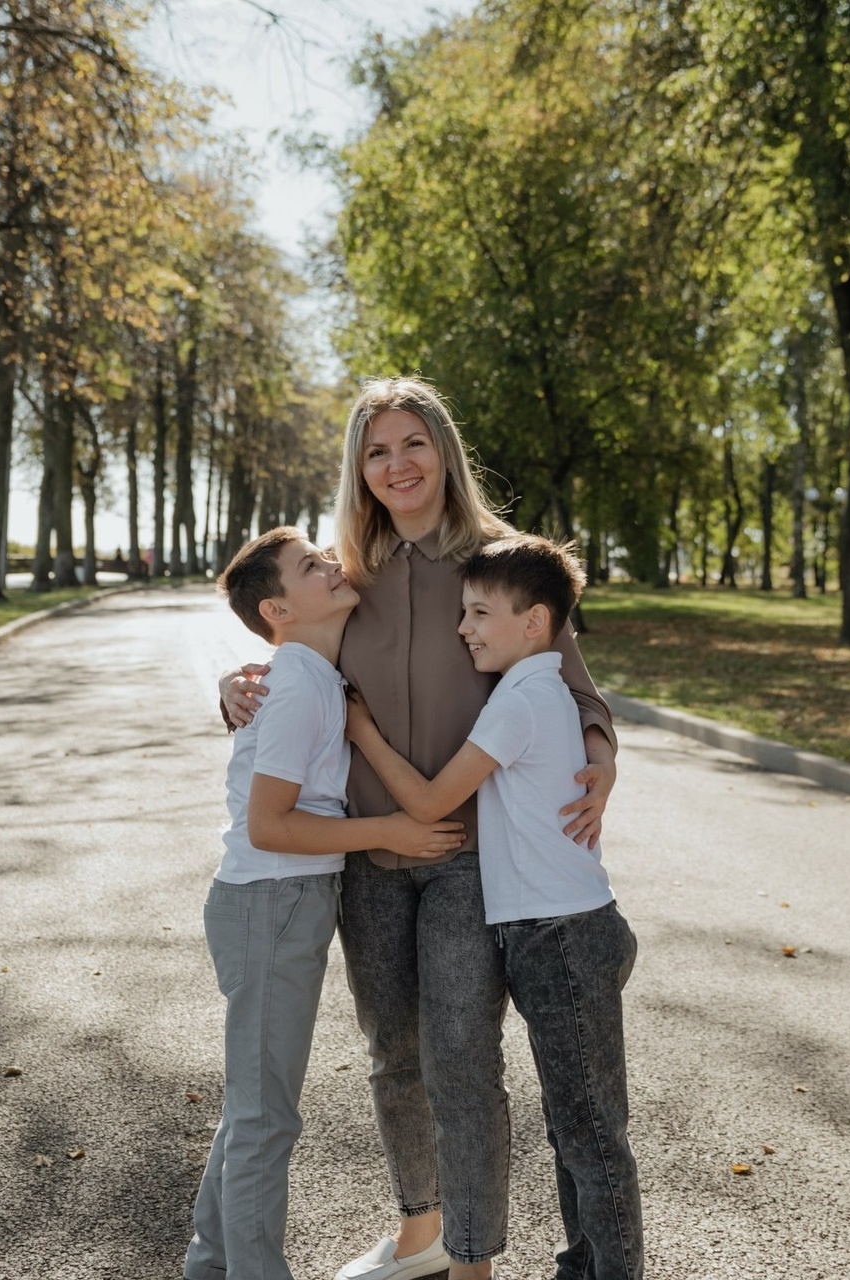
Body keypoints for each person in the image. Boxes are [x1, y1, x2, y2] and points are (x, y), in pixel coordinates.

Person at [220, 378, 616, 1280]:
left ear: (444, 452)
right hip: (369, 855)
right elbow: (281, 663)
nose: (396, 465)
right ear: (359, 471)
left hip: (469, 856)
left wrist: (603, 757)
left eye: (412, 444)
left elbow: (579, 689)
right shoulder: (344, 578)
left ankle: (472, 1260)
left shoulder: (496, 566)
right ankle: (421, 1233)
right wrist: (230, 691)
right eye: (376, 450)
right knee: (392, 1054)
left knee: (462, 1059)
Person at [344, 534, 642, 1280]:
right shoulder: (529, 692)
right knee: (572, 1127)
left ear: (536, 623)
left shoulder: (524, 699)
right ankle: (582, 1267)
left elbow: (430, 801)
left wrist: (364, 734)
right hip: (549, 935)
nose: (464, 628)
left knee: (592, 1135)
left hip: (562, 939)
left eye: (479, 613)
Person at [186, 527, 465, 1280]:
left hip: (279, 901)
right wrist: (393, 829)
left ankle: (210, 1265)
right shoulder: (303, 680)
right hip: (271, 903)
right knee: (265, 1115)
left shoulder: (306, 669)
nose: (333, 565)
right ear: (278, 608)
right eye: (312, 566)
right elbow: (269, 823)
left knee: (255, 1104)